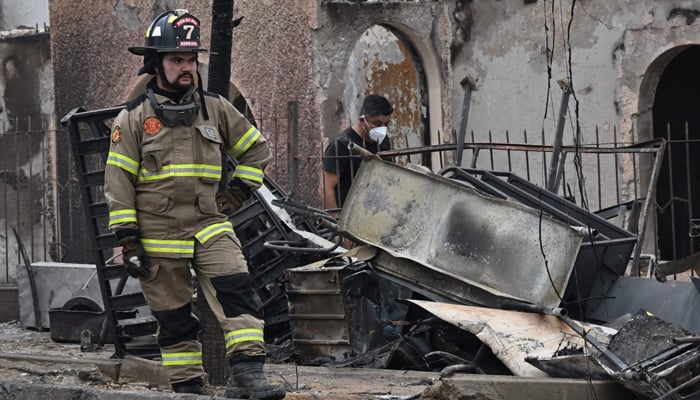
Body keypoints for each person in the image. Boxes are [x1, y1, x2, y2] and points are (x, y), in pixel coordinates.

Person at [104, 9, 285, 399]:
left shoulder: (215, 108)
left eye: (190, 60)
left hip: (209, 224)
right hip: (157, 234)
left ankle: (248, 378)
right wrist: (128, 238)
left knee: (238, 289)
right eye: (176, 60)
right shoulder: (133, 119)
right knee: (174, 319)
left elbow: (257, 150)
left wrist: (238, 192)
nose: (187, 68)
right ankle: (189, 388)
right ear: (156, 64)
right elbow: (117, 181)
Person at [321, 94, 393, 214]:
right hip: (348, 214)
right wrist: (336, 221)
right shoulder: (342, 144)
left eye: (386, 124)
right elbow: (325, 188)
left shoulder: (383, 141)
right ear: (362, 120)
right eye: (377, 123)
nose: (382, 129)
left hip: (376, 213)